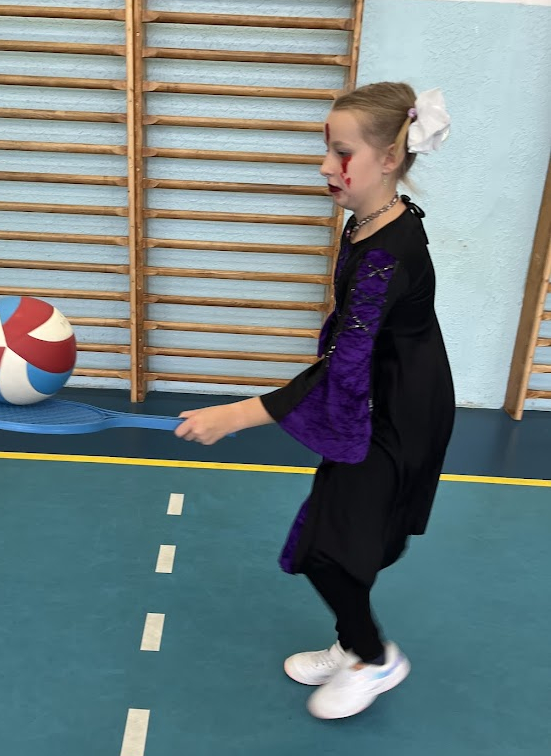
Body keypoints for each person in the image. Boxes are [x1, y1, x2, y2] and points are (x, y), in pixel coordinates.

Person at [174, 82, 455, 720]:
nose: (326, 165)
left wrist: (236, 415)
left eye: (341, 153)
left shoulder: (387, 253)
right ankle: (353, 641)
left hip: (399, 415)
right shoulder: (372, 220)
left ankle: (373, 658)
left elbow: (342, 367)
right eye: (327, 150)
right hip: (375, 399)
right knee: (335, 534)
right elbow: (353, 354)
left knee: (331, 550)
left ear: (389, 158)